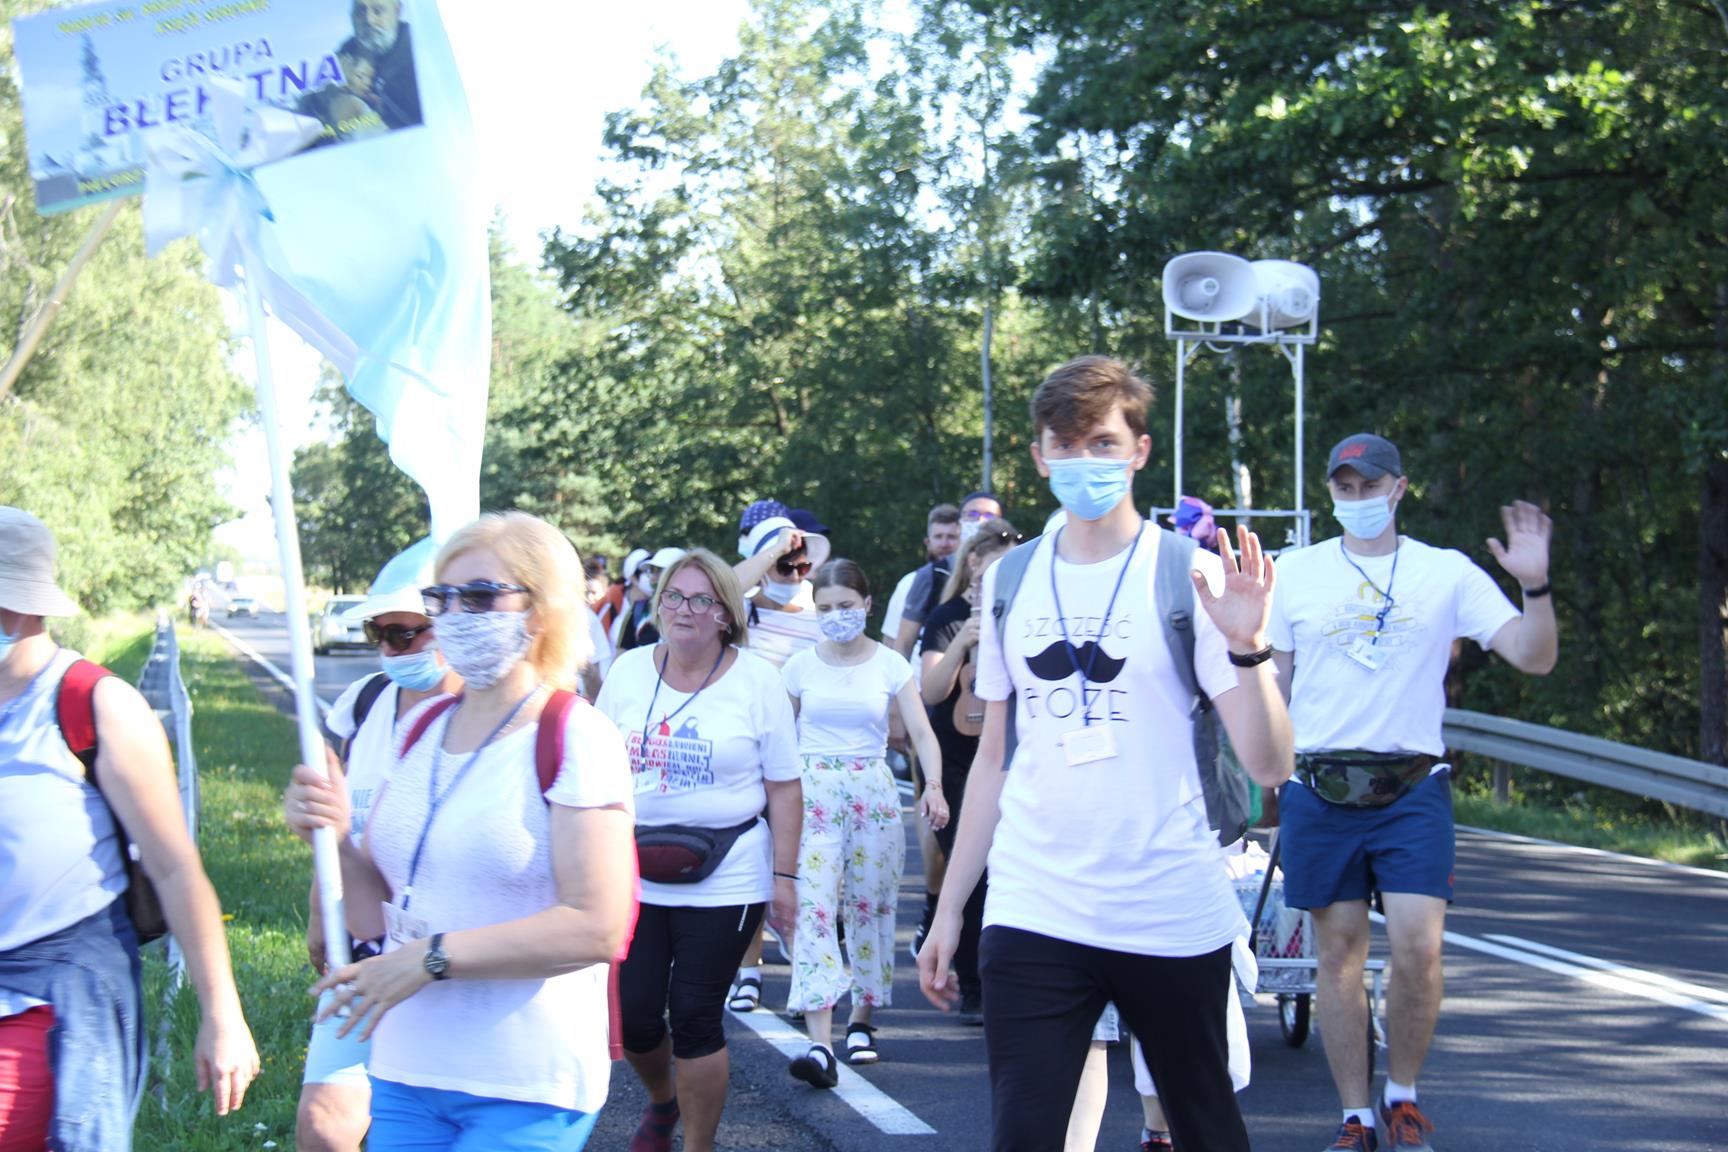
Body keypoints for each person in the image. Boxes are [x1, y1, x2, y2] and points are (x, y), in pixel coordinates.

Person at [916, 356, 1294, 1152]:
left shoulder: (1190, 574)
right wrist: (949, 911)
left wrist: (1251, 649)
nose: (1083, 460)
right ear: (1039, 456)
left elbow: (1270, 767)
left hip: (1166, 901)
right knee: (1025, 1134)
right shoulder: (1011, 579)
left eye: (1103, 442)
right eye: (1065, 444)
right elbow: (995, 760)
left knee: (1205, 1127)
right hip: (1035, 904)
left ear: (1139, 451)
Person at [289, 511, 637, 1150]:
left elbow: (599, 926)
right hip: (406, 1069)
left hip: (525, 1084)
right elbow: (375, 914)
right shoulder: (418, 729)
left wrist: (430, 959)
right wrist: (333, 837)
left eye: (479, 596)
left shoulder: (577, 735)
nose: (454, 614)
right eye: (441, 598)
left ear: (540, 611)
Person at [1268, 433, 1557, 1152]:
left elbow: (1533, 656)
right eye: (1344, 487)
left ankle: (1401, 1096)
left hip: (1412, 787)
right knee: (1337, 953)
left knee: (1418, 948)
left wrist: (1535, 586)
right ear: (1331, 493)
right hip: (1320, 784)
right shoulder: (1294, 573)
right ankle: (1355, 1117)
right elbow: (1274, 685)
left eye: (1370, 486)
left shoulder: (1445, 572)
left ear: (1398, 489)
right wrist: (1262, 775)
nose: (1357, 498)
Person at [0, 507, 260, 1150]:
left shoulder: (93, 703)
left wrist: (222, 1013)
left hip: (53, 993)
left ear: (17, 607)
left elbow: (175, 867)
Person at [593, 550, 802, 1152]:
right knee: (634, 1015)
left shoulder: (757, 680)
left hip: (728, 871)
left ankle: (697, 1145)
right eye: (674, 597)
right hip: (634, 871)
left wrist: (785, 879)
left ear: (725, 615)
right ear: (659, 604)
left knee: (694, 1013)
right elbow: (596, 768)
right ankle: (663, 1104)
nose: (684, 610)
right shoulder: (628, 671)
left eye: (701, 599)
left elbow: (785, 788)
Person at [291, 544, 460, 1152]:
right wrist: (321, 914)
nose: (394, 648)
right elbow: (335, 826)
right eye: (381, 634)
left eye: (407, 632)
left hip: (452, 959)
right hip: (364, 947)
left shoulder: (491, 715)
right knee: (323, 1126)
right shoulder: (363, 703)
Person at [782, 560, 948, 1085]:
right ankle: (819, 1042)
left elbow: (922, 733)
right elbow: (778, 737)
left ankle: (862, 1019)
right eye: (826, 608)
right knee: (813, 908)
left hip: (871, 792)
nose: (837, 616)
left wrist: (934, 786)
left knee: (870, 906)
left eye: (846, 606)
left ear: (867, 605)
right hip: (813, 792)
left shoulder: (890, 665)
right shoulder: (799, 668)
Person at [916, 516, 1021, 1025]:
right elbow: (932, 691)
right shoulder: (947, 616)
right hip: (956, 761)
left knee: (1008, 869)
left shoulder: (1024, 611)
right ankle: (974, 987)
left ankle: (1009, 978)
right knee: (968, 868)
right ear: (974, 566)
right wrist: (962, 642)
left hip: (1009, 757)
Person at [724, 514, 828, 1010]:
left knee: (803, 866)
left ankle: (807, 973)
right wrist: (772, 551)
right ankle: (748, 968)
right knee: (755, 862)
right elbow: (721, 587)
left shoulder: (822, 618)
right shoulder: (741, 614)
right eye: (786, 564)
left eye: (802, 565)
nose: (795, 573)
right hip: (748, 757)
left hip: (804, 760)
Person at [888, 504, 962, 657]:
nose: (944, 544)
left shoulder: (976, 584)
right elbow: (892, 641)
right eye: (938, 537)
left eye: (951, 537)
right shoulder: (908, 583)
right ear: (927, 542)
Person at [350, 0, 421, 128]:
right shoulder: (348, 52)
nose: (369, 20)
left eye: (378, 11)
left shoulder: (421, 50)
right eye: (361, 11)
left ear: (397, 11)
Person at [615, 548, 685, 655]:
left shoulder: (691, 612)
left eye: (660, 571)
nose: (653, 578)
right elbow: (621, 654)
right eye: (652, 571)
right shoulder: (639, 609)